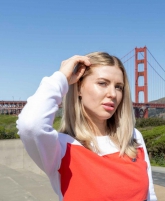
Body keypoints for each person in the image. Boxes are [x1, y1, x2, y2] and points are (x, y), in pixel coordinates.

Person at [17, 52, 157, 201]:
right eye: (102, 83)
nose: (113, 94)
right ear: (78, 88)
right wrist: (61, 77)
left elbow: (150, 196)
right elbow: (31, 124)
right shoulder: (62, 147)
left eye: (119, 87)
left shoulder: (133, 138)